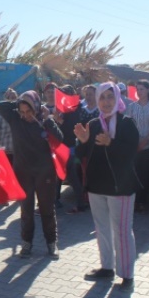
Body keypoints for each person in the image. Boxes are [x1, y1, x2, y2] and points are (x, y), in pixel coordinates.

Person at [74, 82, 140, 292]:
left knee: (122, 231)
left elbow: (131, 152)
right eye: (102, 97)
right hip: (96, 185)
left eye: (110, 97)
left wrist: (111, 143)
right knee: (101, 229)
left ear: (117, 98)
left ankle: (127, 274)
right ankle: (107, 267)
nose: (106, 102)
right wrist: (83, 142)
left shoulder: (126, 123)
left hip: (120, 186)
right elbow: (82, 155)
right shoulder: (93, 124)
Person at [0, 90, 62, 260]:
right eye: (22, 111)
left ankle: (52, 244)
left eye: (29, 111)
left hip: (45, 172)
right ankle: (26, 243)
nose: (26, 115)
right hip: (23, 172)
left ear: (37, 107)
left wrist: (48, 119)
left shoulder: (44, 122)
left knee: (47, 209)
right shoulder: (15, 120)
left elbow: (60, 138)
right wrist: (20, 101)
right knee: (26, 210)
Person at [125, 79, 149, 213]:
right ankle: (134, 200)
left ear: (148, 90)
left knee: (144, 173)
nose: (139, 92)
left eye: (142, 89)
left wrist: (145, 140)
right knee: (134, 173)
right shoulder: (132, 107)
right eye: (138, 89)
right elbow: (128, 125)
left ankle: (143, 201)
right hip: (134, 145)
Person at [54, 85, 86, 214]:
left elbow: (71, 130)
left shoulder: (75, 108)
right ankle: (56, 201)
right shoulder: (66, 108)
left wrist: (59, 121)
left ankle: (79, 203)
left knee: (71, 177)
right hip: (63, 147)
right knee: (59, 176)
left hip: (69, 147)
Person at [0, 88, 17, 165]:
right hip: (5, 153)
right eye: (9, 98)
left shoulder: (21, 113)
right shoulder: (0, 113)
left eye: (14, 97)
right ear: (5, 99)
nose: (11, 100)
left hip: (18, 153)